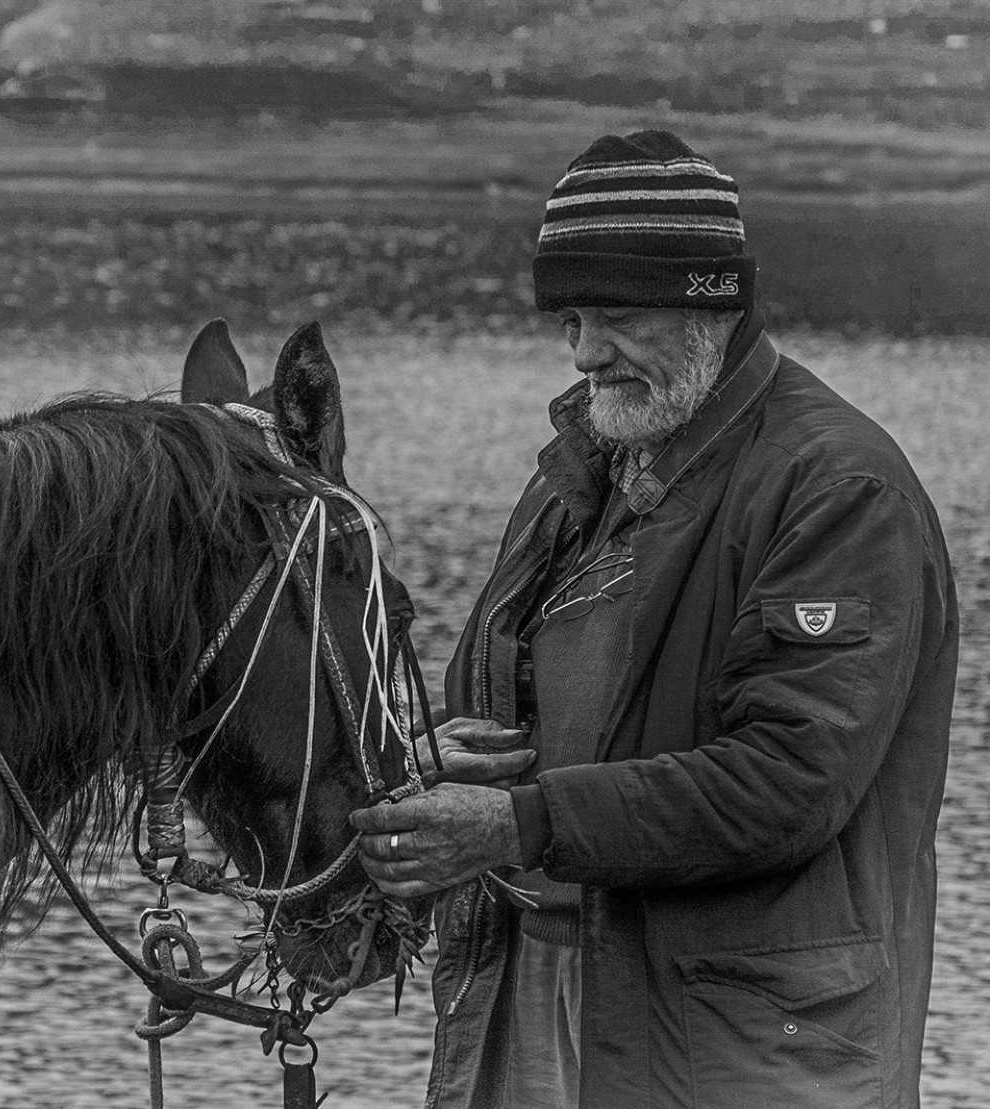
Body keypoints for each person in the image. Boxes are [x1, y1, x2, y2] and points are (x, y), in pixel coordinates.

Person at [349, 131, 959, 1109]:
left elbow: (788, 781)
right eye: (572, 317)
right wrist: (441, 752)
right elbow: (537, 714)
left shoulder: (838, 491)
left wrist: (515, 821)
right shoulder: (576, 470)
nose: (585, 351)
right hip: (529, 1000)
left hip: (731, 1054)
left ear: (709, 299)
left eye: (616, 315)